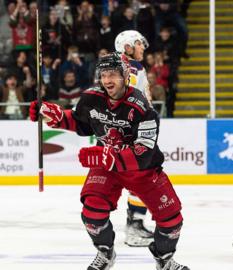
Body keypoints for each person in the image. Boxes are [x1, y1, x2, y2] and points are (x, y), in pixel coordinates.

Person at [29, 53, 189, 270]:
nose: (107, 80)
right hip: (107, 167)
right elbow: (80, 122)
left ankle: (164, 259)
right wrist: (55, 116)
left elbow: (143, 153)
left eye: (113, 74)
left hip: (142, 170)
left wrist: (110, 157)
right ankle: (105, 253)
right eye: (103, 75)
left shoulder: (142, 108)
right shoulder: (91, 97)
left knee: (172, 222)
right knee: (92, 213)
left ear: (125, 76)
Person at [114, 30, 155, 247]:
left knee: (139, 176)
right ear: (127, 46)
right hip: (132, 129)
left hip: (130, 128)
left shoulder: (126, 65)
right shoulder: (130, 66)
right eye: (139, 44)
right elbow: (124, 95)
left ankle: (135, 222)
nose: (142, 48)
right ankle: (134, 226)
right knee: (141, 176)